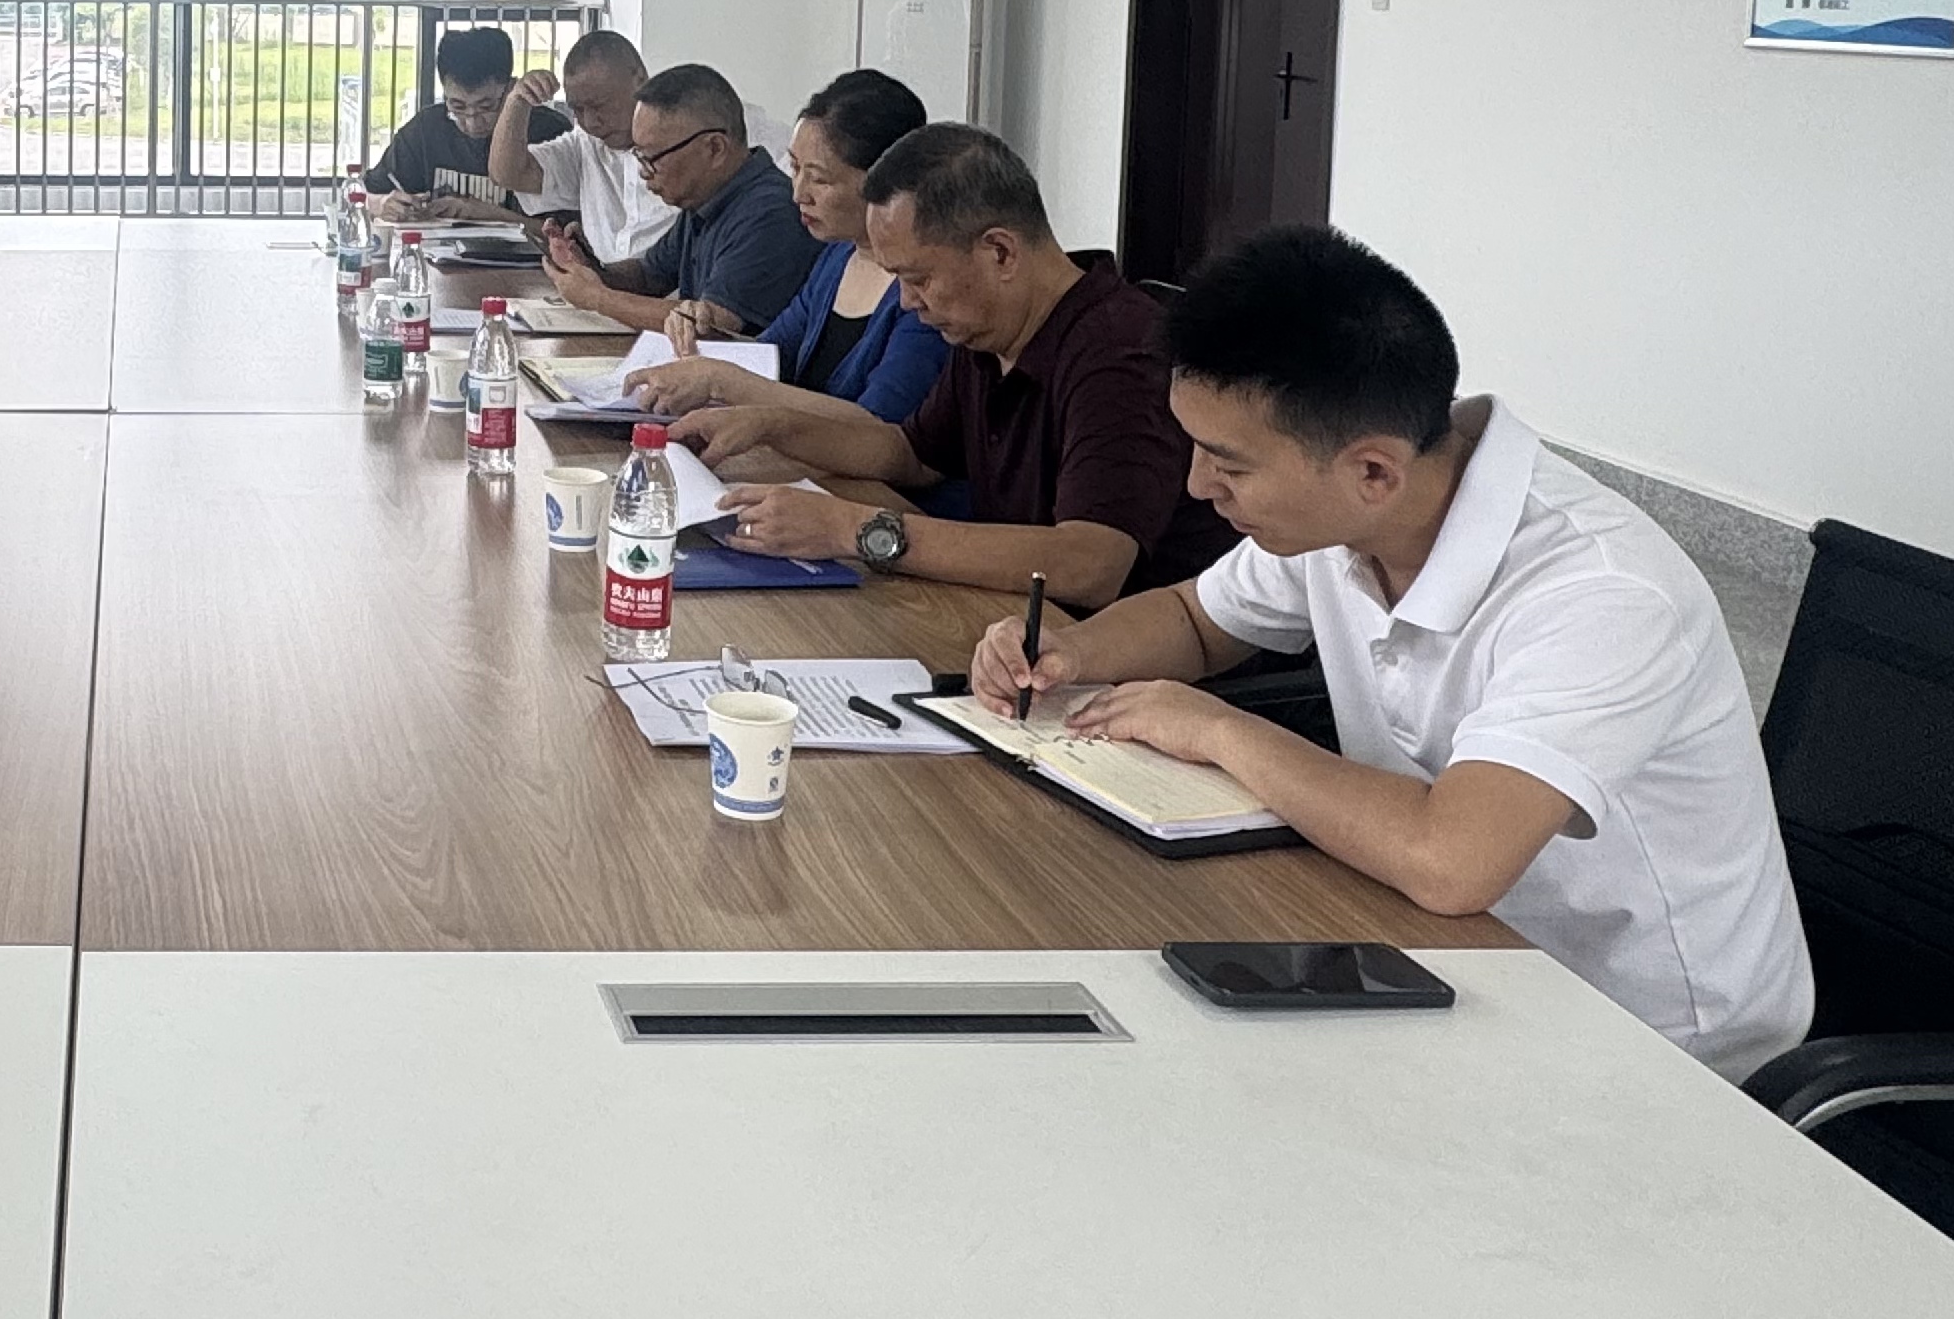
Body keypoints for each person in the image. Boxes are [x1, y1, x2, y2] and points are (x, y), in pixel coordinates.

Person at [972, 226, 1813, 1079]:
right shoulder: (1349, 512)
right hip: (1428, 946)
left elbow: (1452, 862)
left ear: (1374, 471)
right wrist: (1066, 651)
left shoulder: (1602, 594)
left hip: (1648, 1041)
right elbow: (1196, 619)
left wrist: (1218, 730)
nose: (1197, 485)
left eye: (1230, 465)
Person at [676, 122, 1228, 604]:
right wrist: (769, 426)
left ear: (1000, 252)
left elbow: (1091, 565)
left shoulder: (1120, 351)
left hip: (1120, 662)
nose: (907, 302)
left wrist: (855, 529)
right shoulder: (990, 330)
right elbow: (912, 454)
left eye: (918, 278)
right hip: (1010, 624)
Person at [621, 71, 953, 478]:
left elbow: (882, 432)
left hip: (875, 496)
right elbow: (771, 354)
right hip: (808, 473)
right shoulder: (837, 257)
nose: (798, 193)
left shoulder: (926, 290)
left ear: (887, 183)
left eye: (819, 179)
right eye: (795, 168)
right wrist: (705, 334)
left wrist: (722, 380)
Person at [534, 63, 818, 334]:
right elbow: (648, 277)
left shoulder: (769, 211)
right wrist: (591, 267)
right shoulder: (704, 200)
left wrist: (597, 298)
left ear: (715, 148)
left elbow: (713, 325)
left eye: (652, 158)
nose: (643, 173)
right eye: (639, 156)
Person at [483, 29, 785, 266]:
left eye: (600, 106)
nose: (590, 122)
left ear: (639, 79)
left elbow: (789, 188)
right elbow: (509, 174)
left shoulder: (723, 128)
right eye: (578, 110)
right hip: (626, 294)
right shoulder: (585, 142)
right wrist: (517, 102)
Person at [362, 25, 565, 221]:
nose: (472, 123)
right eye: (457, 107)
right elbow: (365, 194)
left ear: (511, 89)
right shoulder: (426, 129)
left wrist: (484, 213)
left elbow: (568, 233)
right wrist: (382, 204)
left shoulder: (549, 132)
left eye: (486, 107)